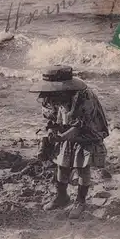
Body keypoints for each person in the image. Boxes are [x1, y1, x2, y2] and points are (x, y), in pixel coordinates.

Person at [30, 65, 110, 219]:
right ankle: (62, 197)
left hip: (87, 132)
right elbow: (51, 119)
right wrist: (52, 132)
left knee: (82, 166)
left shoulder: (84, 98)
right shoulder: (49, 97)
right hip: (65, 130)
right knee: (62, 165)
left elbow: (79, 127)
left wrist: (61, 137)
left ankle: (80, 201)